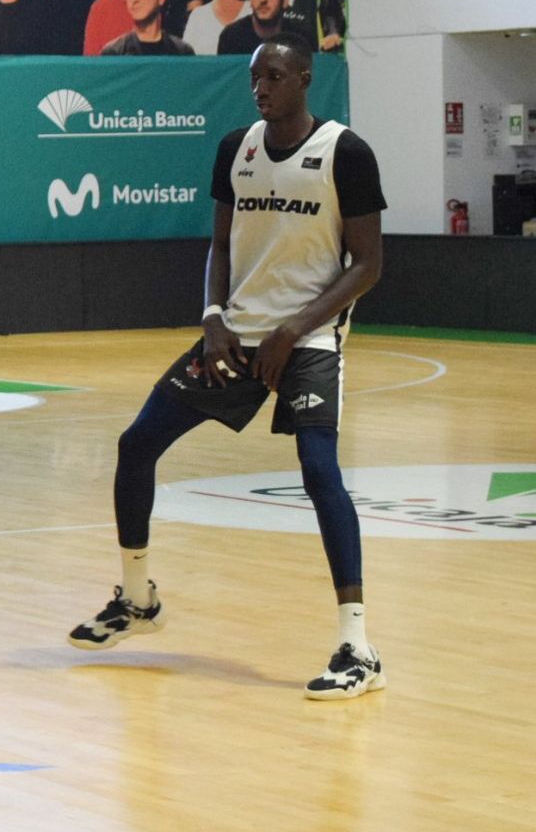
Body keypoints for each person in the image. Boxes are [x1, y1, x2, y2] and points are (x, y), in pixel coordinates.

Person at [67, 34, 388, 701]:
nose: (260, 87)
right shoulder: (235, 149)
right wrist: (213, 317)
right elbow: (218, 243)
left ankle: (358, 645)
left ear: (304, 76)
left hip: (308, 338)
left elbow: (369, 264)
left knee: (320, 470)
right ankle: (137, 599)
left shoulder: (345, 153)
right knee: (137, 443)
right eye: (253, 78)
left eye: (273, 75)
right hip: (236, 335)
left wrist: (295, 327)